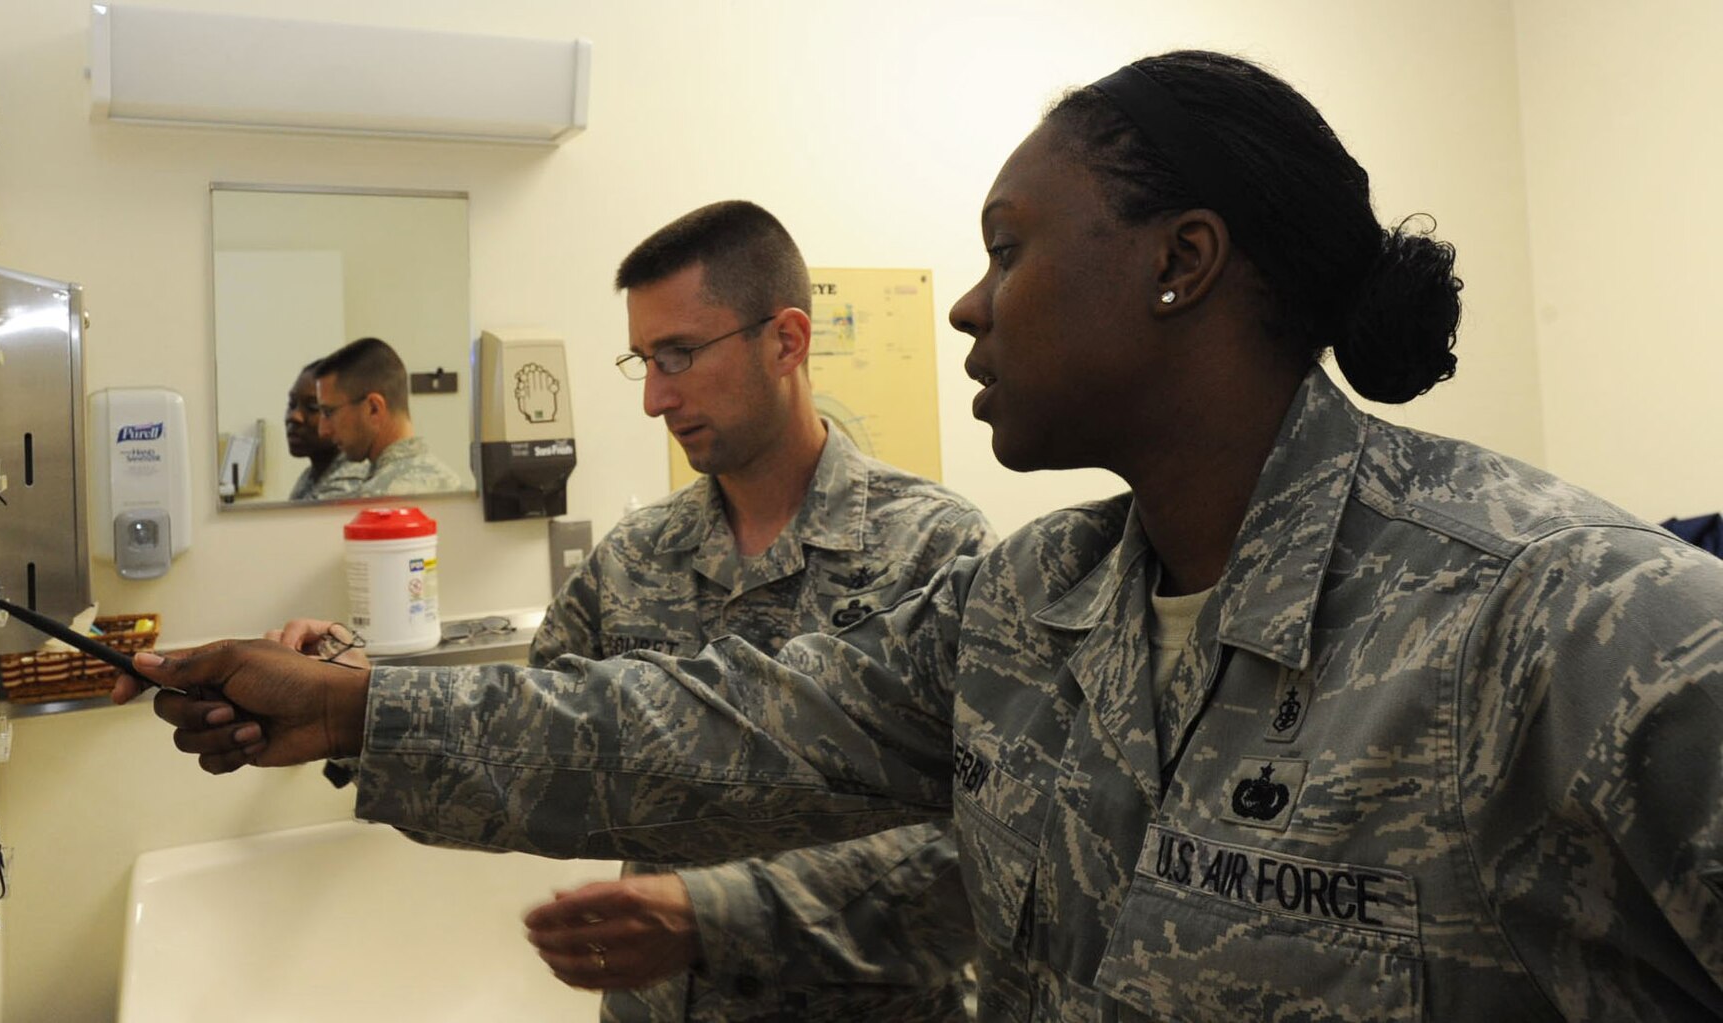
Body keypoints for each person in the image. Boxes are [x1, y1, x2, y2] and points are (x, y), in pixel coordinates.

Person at [117, 51, 1723, 1021]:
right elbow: (714, 723)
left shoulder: (1564, 623)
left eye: (1009, 247)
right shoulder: (1042, 604)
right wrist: (350, 707)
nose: (965, 299)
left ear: (1183, 262)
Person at [277, 200, 994, 1021]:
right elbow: (523, 748)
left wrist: (719, 919)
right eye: (644, 360)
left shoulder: (937, 552)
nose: (655, 397)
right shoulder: (636, 556)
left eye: (681, 355)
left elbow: (981, 853)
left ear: (787, 340)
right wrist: (344, 692)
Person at [314, 336, 464, 496]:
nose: (323, 430)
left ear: (373, 409)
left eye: (329, 412)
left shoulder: (375, 501)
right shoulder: (455, 487)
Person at [283, 359, 364, 500]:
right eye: (292, 404)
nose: (294, 416)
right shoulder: (311, 475)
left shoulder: (350, 478)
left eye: (313, 407)